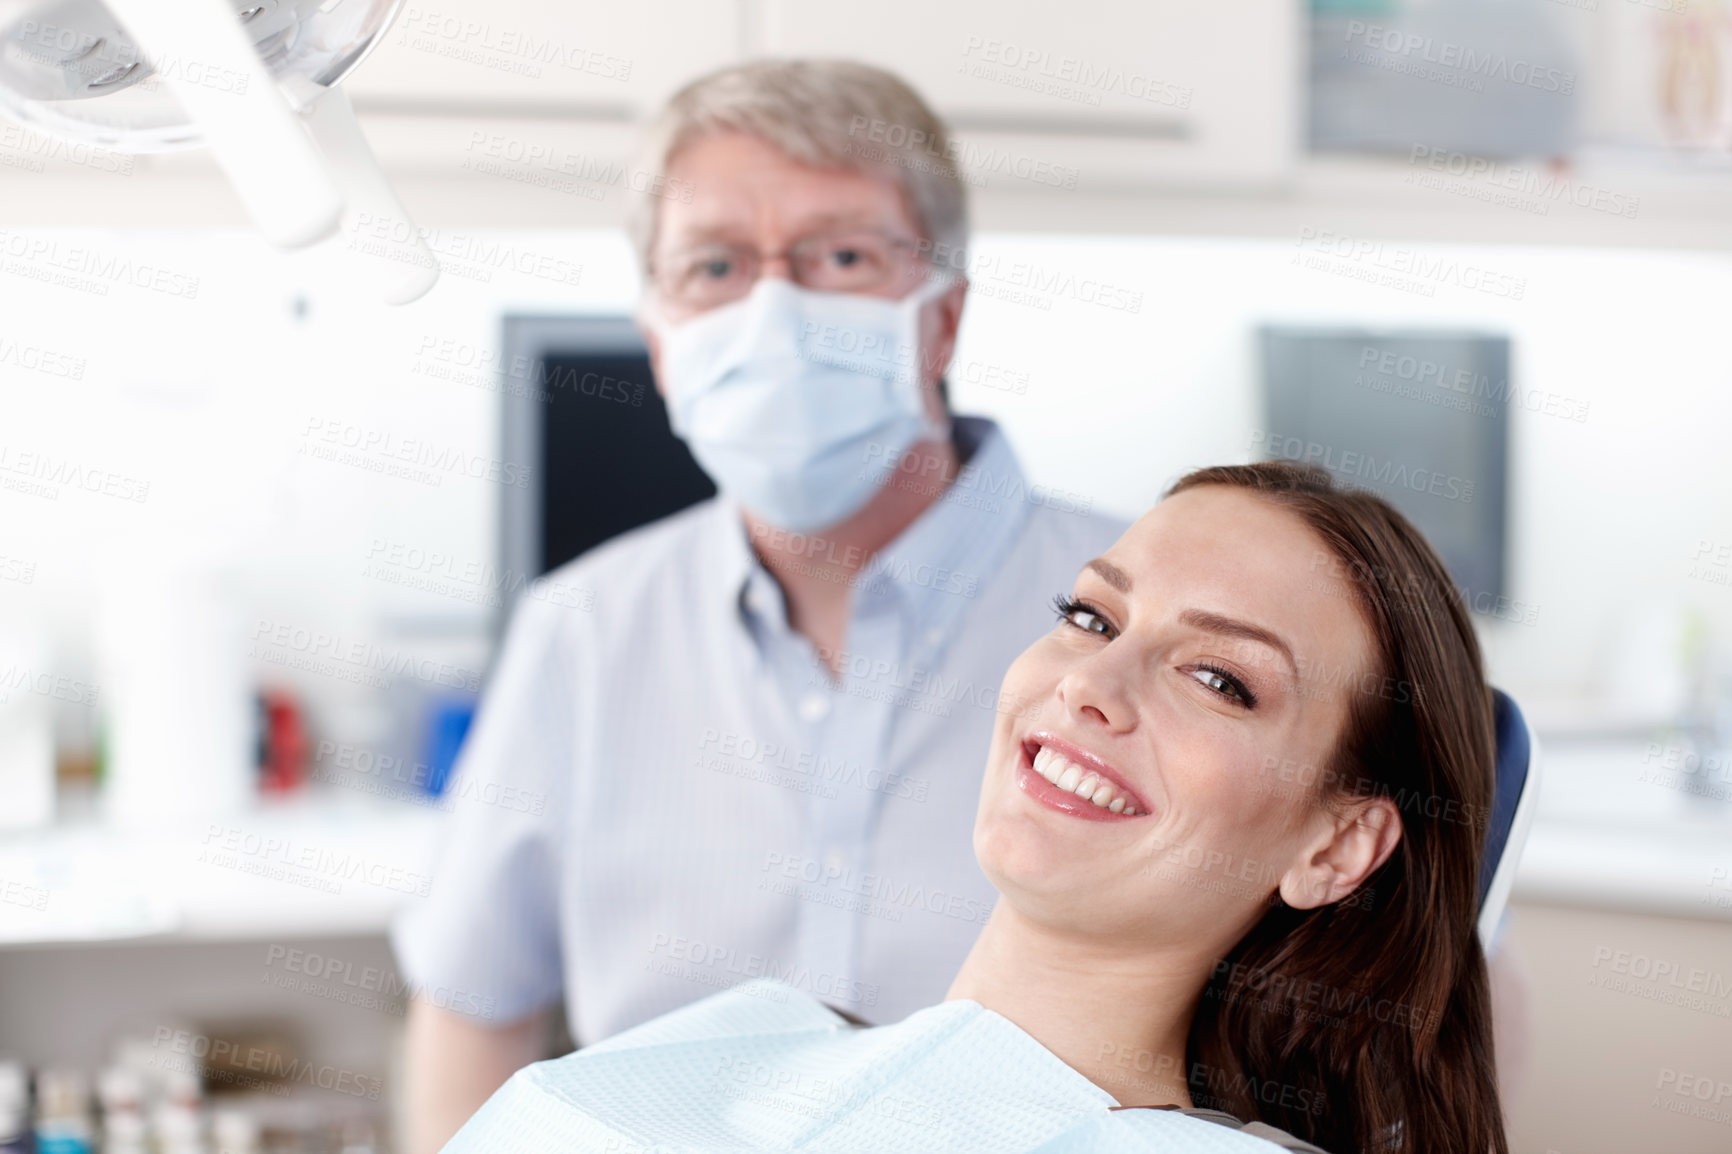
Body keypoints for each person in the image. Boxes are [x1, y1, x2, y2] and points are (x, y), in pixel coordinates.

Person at [392, 60, 1129, 1154]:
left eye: (840, 255)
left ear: (942, 321)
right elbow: (472, 1003)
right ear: (658, 338)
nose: (772, 310)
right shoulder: (584, 632)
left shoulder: (1153, 625)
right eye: (714, 264)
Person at [436, 461, 1511, 1154]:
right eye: (1091, 615)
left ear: (1337, 844)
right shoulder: (745, 1033)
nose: (1089, 682)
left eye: (1218, 678)